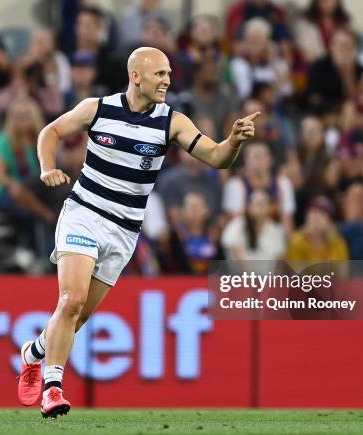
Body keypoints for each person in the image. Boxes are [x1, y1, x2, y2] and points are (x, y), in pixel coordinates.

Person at [15, 47, 261, 418]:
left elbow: (216, 157)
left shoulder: (172, 122)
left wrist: (235, 142)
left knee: (77, 317)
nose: (166, 80)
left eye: (168, 74)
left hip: (124, 231)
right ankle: (53, 388)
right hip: (84, 214)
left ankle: (34, 352)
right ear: (136, 77)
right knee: (71, 300)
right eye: (159, 74)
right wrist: (47, 166)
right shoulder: (97, 109)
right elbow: (51, 131)